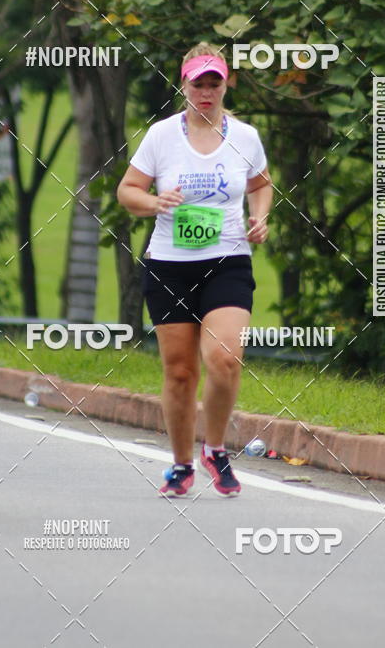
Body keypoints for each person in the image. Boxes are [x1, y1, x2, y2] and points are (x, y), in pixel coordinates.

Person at [116, 44, 273, 497]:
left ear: (227, 85)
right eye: (197, 83)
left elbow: (261, 185)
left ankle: (216, 449)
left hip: (227, 259)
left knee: (224, 358)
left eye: (214, 83)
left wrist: (260, 217)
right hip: (169, 265)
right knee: (180, 371)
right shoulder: (161, 137)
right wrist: (154, 202)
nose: (206, 92)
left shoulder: (245, 137)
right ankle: (181, 464)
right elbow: (128, 191)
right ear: (183, 85)